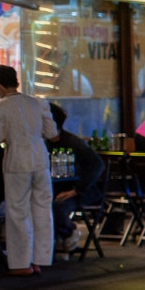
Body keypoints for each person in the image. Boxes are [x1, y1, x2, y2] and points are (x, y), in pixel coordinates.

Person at [0, 66, 58, 275]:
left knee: (18, 211)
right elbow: (51, 132)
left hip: (17, 160)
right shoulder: (37, 103)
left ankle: (21, 263)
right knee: (42, 209)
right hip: (40, 159)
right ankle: (40, 260)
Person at [47, 103, 103, 252]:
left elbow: (97, 164)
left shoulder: (73, 143)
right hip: (54, 188)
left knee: (56, 208)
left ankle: (69, 232)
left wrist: (76, 190)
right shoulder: (42, 143)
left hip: (82, 191)